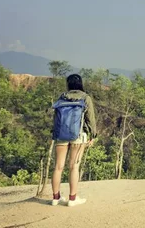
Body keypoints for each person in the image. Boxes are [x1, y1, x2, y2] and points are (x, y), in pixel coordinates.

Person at [51, 73, 97, 207]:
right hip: (79, 135)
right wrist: (92, 135)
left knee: (58, 167)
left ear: (68, 84)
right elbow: (91, 119)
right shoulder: (85, 98)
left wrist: (54, 134)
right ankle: (72, 199)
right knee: (74, 166)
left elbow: (56, 119)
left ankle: (55, 198)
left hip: (61, 135)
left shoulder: (62, 97)